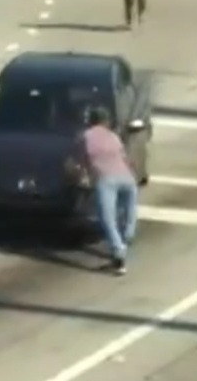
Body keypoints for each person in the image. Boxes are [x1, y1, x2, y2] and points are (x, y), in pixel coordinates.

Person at [74, 106, 139, 275]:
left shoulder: (85, 136)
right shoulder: (114, 136)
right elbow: (126, 159)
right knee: (128, 212)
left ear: (91, 120)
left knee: (108, 219)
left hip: (106, 180)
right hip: (127, 179)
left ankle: (119, 257)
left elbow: (80, 162)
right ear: (106, 121)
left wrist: (82, 177)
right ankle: (127, 237)